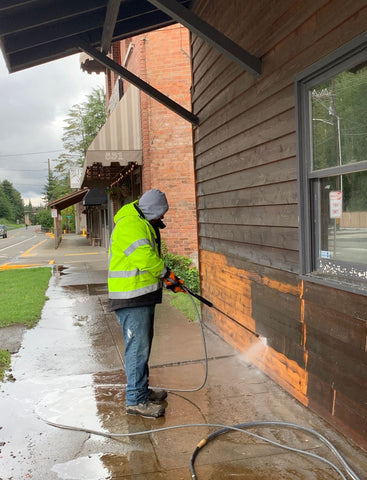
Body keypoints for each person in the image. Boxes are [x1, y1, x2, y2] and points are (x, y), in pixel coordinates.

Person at [108, 189, 184, 418]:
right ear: (151, 211)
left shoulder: (140, 221)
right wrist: (167, 274)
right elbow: (144, 257)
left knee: (142, 347)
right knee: (137, 349)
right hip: (131, 297)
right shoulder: (130, 224)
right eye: (159, 215)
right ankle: (135, 401)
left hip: (140, 296)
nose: (160, 219)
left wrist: (168, 279)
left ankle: (141, 390)